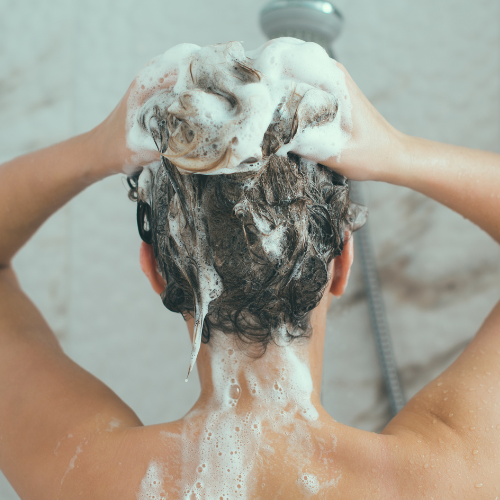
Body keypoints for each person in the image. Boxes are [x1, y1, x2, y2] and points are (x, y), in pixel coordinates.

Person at [0, 40, 499, 499]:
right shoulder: (441, 476)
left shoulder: (86, 475)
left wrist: (102, 146)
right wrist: (397, 152)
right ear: (344, 264)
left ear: (155, 272)